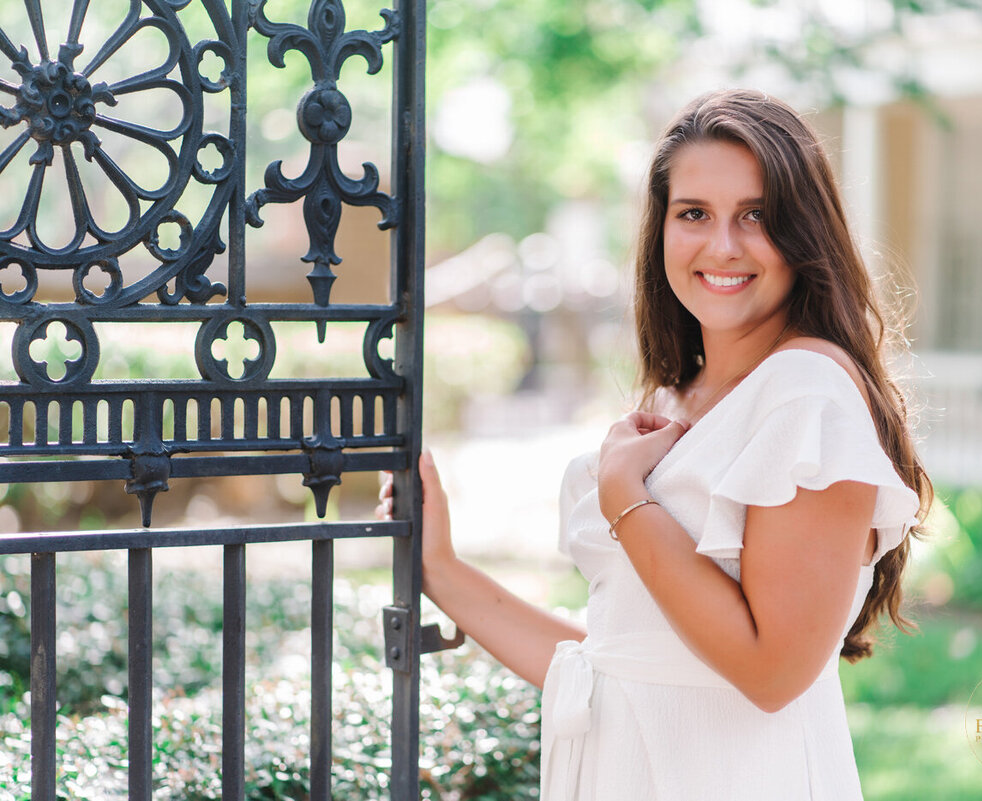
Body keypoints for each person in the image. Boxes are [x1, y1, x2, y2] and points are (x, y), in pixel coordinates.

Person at [379, 89, 932, 800]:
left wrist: (626, 501)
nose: (722, 245)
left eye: (756, 216)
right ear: (661, 229)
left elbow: (773, 672)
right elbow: (610, 664)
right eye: (693, 213)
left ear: (804, 233)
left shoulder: (806, 396)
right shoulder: (675, 402)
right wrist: (443, 571)